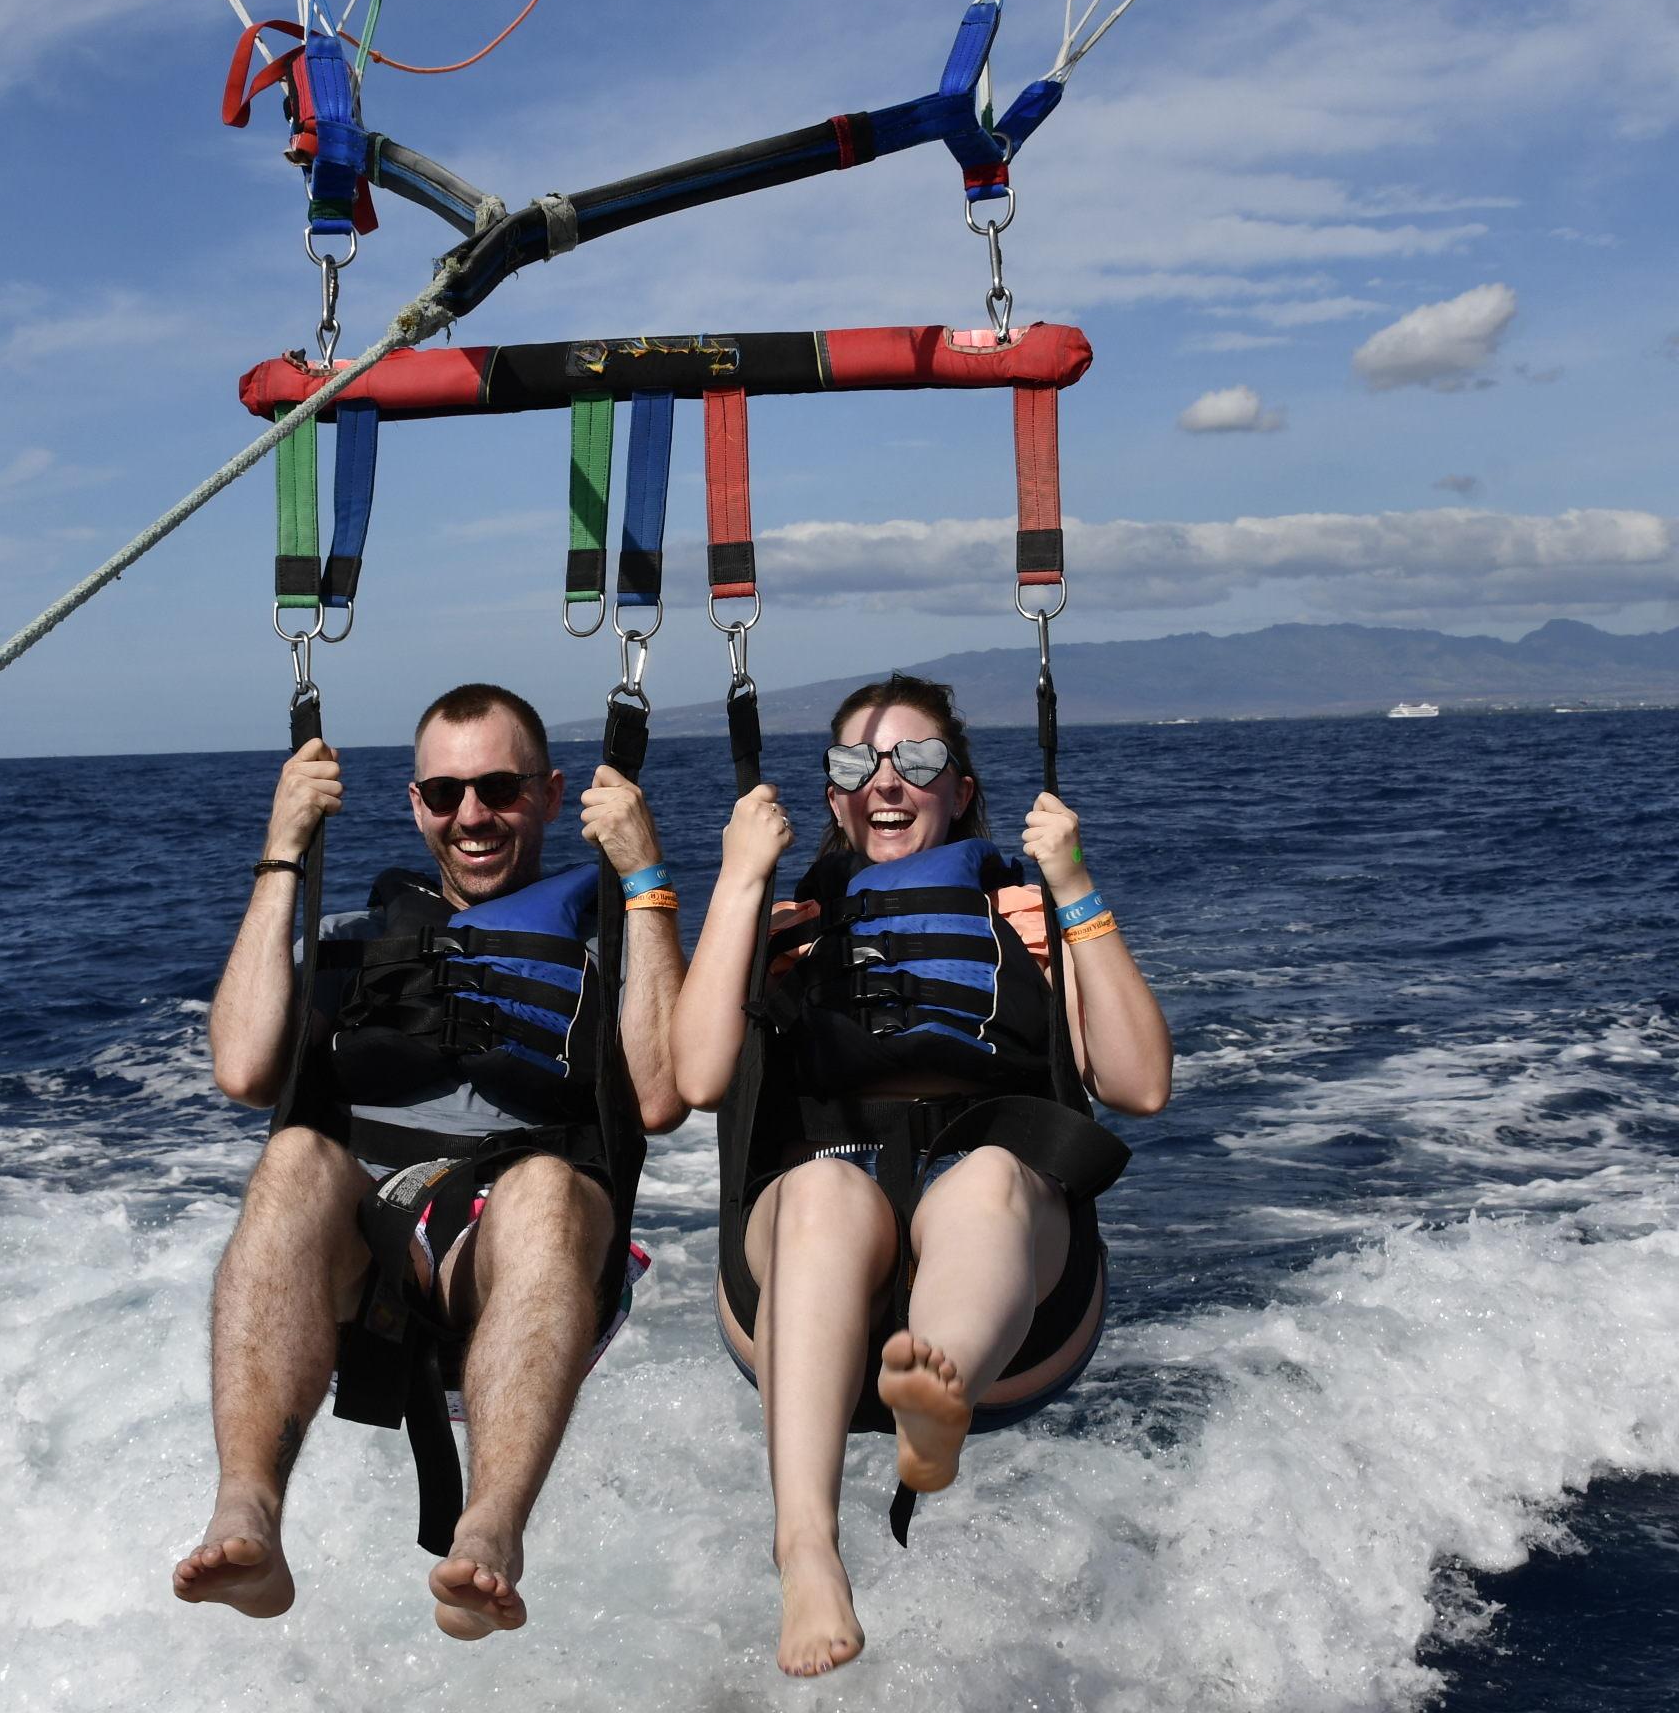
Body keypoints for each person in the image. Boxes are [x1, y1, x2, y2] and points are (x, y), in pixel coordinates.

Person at [671, 673, 1172, 1677]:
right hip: (812, 1244)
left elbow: (1138, 1083)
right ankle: (805, 1544)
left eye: (919, 760)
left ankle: (931, 1398)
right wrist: (737, 883)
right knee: (821, 1187)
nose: (885, 779)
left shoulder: (1022, 917)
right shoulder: (783, 923)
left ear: (960, 790)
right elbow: (694, 1077)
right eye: (856, 763)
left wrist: (1073, 890)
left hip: (1009, 1270)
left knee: (987, 1177)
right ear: (829, 794)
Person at [172, 682, 685, 1637]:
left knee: (539, 1188)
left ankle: (489, 1531)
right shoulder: (350, 940)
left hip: (517, 1238)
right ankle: (248, 1511)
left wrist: (644, 874)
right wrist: (283, 851)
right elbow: (244, 1067)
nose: (472, 816)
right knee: (290, 1157)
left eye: (499, 788)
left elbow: (657, 1095)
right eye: (444, 795)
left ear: (549, 791)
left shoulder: (607, 940)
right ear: (415, 805)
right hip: (368, 1245)